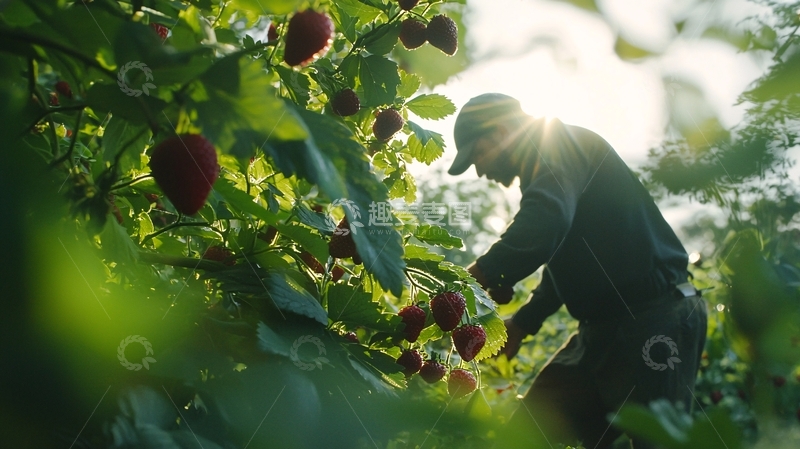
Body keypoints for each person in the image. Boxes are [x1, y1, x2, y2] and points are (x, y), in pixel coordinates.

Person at [449, 93, 707, 449]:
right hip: (600, 330)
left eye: (477, 154)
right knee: (526, 436)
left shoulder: (557, 143)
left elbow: (545, 223)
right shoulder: (549, 166)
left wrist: (472, 279)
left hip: (656, 318)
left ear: (502, 132)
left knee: (658, 442)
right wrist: (522, 324)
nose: (479, 170)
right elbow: (564, 260)